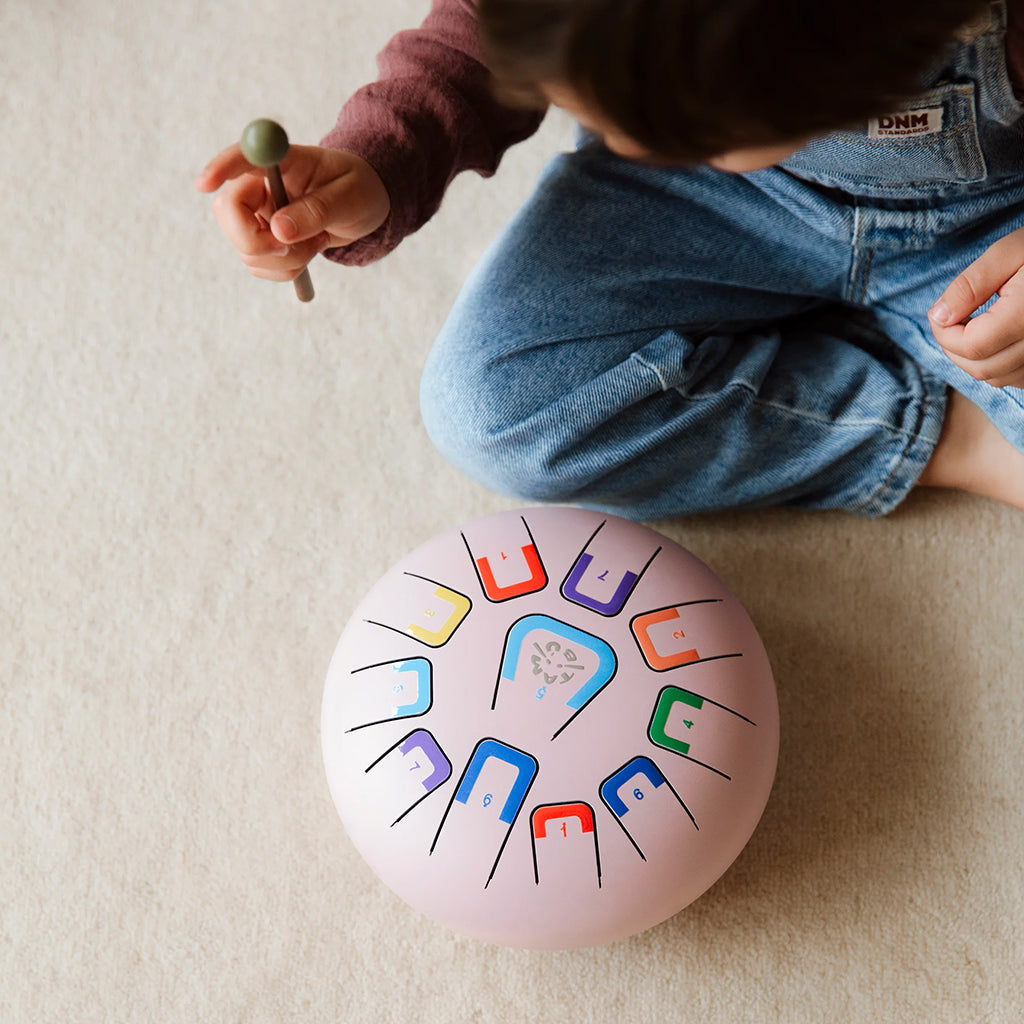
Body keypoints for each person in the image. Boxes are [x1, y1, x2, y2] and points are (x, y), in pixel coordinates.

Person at [195, 0, 1024, 518]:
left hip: (987, 217)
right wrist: (379, 165)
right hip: (716, 201)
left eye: (667, 123)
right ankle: (949, 438)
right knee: (495, 407)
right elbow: (485, 34)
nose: (616, 140)